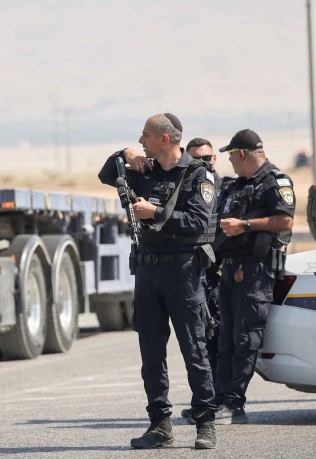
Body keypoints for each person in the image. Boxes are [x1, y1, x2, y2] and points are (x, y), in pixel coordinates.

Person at [97, 114, 219, 450]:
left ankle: (205, 422)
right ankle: (159, 424)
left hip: (183, 271)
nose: (141, 140)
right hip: (148, 271)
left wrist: (156, 215)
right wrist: (124, 153)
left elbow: (197, 222)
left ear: (164, 139)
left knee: (194, 349)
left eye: (145, 136)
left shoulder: (198, 174)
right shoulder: (144, 169)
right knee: (151, 353)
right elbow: (106, 173)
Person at [208, 129, 294, 425]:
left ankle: (234, 404)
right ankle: (219, 400)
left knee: (245, 338)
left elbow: (285, 219)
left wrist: (245, 225)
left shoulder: (275, 181)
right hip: (231, 268)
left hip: (256, 270)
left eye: (231, 155)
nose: (229, 161)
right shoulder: (236, 185)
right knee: (225, 340)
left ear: (241, 154)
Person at [180, 137, 222, 422]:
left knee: (216, 337)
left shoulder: (226, 189)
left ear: (214, 159)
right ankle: (206, 401)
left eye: (206, 159)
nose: (203, 164)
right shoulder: (186, 187)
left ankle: (217, 401)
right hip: (196, 270)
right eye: (196, 159)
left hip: (219, 271)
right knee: (201, 340)